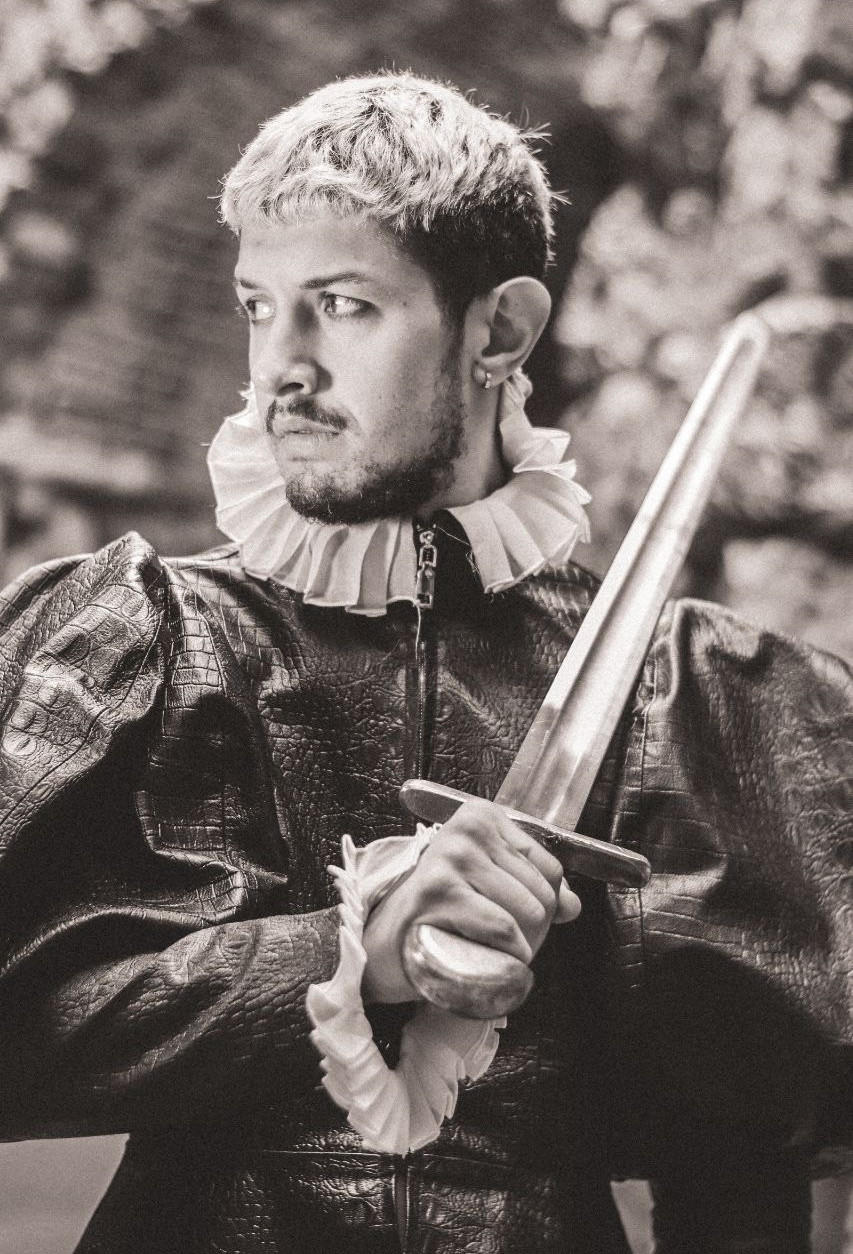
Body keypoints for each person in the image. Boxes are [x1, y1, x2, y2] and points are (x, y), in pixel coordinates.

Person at [0, 73, 848, 1254]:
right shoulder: (151, 636)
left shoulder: (682, 692)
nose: (282, 366)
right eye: (259, 306)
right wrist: (350, 954)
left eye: (341, 305)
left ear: (498, 331)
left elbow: (737, 1170)